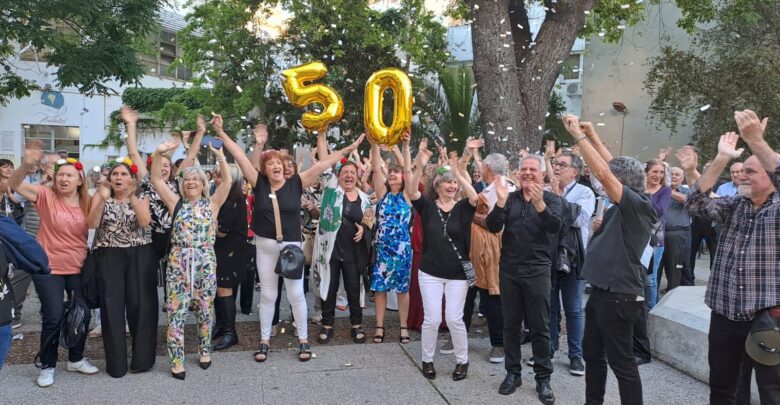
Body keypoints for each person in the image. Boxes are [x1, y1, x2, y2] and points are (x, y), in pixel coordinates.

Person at [214, 115, 364, 362]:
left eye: (279, 163)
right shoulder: (258, 183)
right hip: (265, 247)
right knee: (268, 295)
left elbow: (323, 163)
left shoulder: (296, 182)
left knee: (295, 294)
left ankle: (303, 341)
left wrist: (348, 149)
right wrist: (221, 131)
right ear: (264, 168)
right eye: (270, 163)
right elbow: (240, 156)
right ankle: (264, 342)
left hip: (292, 246)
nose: (276, 166)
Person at [681, 110, 780, 404]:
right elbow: (695, 201)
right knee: (724, 389)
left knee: (771, 393)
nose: (741, 176)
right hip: (725, 314)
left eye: (751, 171)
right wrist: (721, 158)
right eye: (741, 171)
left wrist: (757, 142)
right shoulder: (735, 205)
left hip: (767, 317)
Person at [562, 114, 656, 405]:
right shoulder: (627, 202)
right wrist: (593, 138)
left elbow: (605, 173)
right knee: (592, 354)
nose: (601, 185)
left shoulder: (638, 205)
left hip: (620, 296)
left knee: (622, 363)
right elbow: (613, 167)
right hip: (604, 291)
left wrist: (578, 138)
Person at [9, 146, 98, 387]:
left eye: (69, 174)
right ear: (55, 178)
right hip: (48, 267)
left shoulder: (87, 200)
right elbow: (15, 184)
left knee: (83, 314)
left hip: (78, 266)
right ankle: (47, 365)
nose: (64, 178)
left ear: (80, 179)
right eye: (61, 174)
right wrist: (27, 164)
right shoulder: (46, 196)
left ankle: (76, 358)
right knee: (53, 317)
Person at [151, 138, 231, 379]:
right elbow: (156, 180)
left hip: (205, 263)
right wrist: (158, 154)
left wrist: (220, 155)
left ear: (203, 184)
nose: (191, 182)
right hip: (178, 264)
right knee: (176, 311)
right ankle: (177, 360)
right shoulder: (176, 203)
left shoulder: (212, 204)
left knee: (206, 310)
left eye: (196, 179)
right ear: (182, 185)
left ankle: (204, 350)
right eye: (187, 180)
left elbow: (227, 181)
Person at [487, 154, 563, 404]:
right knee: (511, 326)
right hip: (509, 270)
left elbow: (555, 227)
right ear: (518, 173)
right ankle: (513, 373)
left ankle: (543, 378)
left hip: (538, 270)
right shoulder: (510, 199)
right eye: (524, 169)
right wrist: (499, 203)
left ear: (542, 174)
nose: (528, 173)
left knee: (540, 326)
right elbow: (493, 227)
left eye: (533, 169)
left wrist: (540, 205)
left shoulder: (552, 199)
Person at [407, 139, 477, 381]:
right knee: (433, 318)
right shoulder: (426, 206)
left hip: (457, 273)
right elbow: (411, 191)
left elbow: (476, 198)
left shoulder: (464, 207)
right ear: (437, 185)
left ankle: (462, 361)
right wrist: (419, 165)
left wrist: (459, 172)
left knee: (454, 319)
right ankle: (427, 360)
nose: (452, 185)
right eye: (447, 181)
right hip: (430, 272)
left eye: (454, 182)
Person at [87, 157, 155, 378]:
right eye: (115, 174)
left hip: (139, 254)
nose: (118, 177)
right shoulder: (101, 196)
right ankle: (116, 365)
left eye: (123, 174)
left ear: (132, 178)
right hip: (109, 254)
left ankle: (142, 360)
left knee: (141, 306)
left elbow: (145, 222)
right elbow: (92, 223)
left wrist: (132, 197)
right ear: (109, 178)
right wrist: (102, 199)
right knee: (111, 308)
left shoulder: (142, 196)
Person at [312, 154, 373, 345]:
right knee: (329, 288)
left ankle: (356, 325)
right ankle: (327, 325)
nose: (348, 176)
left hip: (354, 252)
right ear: (337, 176)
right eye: (345, 172)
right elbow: (325, 162)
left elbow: (370, 221)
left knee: (354, 289)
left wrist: (364, 228)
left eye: (352, 173)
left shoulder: (364, 198)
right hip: (330, 251)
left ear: (357, 176)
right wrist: (322, 134)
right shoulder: (331, 191)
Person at [548, 151, 595, 376]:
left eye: (562, 165)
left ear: (574, 171)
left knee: (574, 308)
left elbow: (580, 219)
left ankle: (576, 356)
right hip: (549, 256)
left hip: (573, 258)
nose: (556, 168)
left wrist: (558, 199)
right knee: (550, 306)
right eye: (555, 163)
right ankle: (548, 349)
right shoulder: (546, 189)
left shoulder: (585, 192)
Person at [464, 147, 508, 363]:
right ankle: (459, 339)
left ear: (487, 168)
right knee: (467, 296)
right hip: (475, 253)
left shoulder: (502, 189)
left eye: (481, 165)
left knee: (492, 299)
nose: (480, 168)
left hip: (494, 256)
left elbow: (494, 224)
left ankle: (498, 344)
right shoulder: (491, 187)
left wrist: (474, 217)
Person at [368, 133, 413, 344]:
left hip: (403, 249)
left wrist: (403, 147)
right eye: (391, 172)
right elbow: (376, 168)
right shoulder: (382, 194)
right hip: (383, 248)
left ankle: (403, 327)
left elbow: (411, 171)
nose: (393, 174)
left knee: (402, 289)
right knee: (380, 287)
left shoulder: (407, 196)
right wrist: (374, 144)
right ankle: (379, 326)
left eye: (397, 172)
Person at [633, 158, 672, 365]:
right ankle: (639, 313)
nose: (657, 175)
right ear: (646, 172)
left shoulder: (664, 191)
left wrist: (644, 199)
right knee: (638, 279)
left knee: (650, 279)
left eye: (660, 172)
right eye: (654, 171)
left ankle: (650, 311)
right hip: (637, 239)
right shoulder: (638, 187)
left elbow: (658, 211)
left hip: (655, 241)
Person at [212, 164, 246, 351]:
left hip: (230, 251)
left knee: (224, 290)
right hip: (223, 250)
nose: (216, 179)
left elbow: (221, 232)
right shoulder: (227, 198)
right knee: (218, 289)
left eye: (219, 176)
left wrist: (209, 217)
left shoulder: (232, 200)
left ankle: (230, 332)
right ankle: (220, 326)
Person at [659, 167, 691, 292]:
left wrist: (666, 190)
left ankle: (673, 293)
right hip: (658, 233)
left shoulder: (686, 191)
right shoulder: (658, 190)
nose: (674, 176)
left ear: (682, 178)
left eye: (677, 174)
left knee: (675, 267)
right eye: (671, 174)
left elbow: (686, 200)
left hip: (678, 234)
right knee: (656, 267)